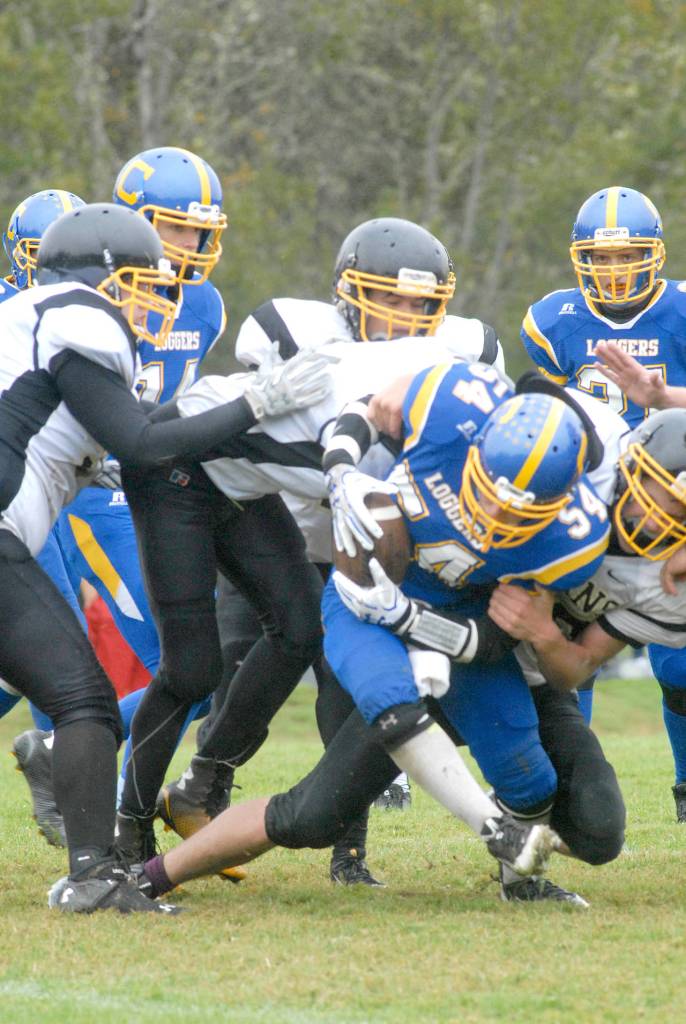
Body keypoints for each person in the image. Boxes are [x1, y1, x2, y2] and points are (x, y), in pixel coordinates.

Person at [129, 361, 622, 908]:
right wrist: (341, 471)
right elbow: (365, 407)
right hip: (363, 598)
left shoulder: (571, 542)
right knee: (383, 722)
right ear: (476, 443)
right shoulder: (453, 404)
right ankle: (149, 876)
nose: (493, 514)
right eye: (485, 491)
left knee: (527, 775)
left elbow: (496, 637)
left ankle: (520, 885)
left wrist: (412, 621)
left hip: (456, 627)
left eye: (519, 511)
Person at [0, 200, 331, 914]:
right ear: (101, 277)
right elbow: (145, 441)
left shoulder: (31, 317)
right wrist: (259, 400)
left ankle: (98, 868)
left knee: (79, 697)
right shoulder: (78, 317)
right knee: (85, 701)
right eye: (141, 280)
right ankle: (95, 874)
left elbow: (76, 432)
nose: (155, 297)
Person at [154, 216, 506, 885]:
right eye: (389, 298)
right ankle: (199, 782)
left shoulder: (463, 350)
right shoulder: (294, 332)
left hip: (375, 544)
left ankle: (349, 853)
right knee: (227, 666)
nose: (404, 315)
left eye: (419, 304)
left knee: (346, 689)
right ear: (348, 292)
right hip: (282, 525)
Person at [10, 148, 230, 845]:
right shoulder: (64, 305)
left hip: (127, 482)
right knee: (60, 670)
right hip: (58, 490)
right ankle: (91, 819)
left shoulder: (204, 304)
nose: (189, 247)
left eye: (201, 232)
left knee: (182, 665)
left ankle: (85, 792)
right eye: (174, 228)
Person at [521, 184, 686, 819]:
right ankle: (574, 782)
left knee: (678, 665)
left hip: (668, 502)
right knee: (569, 645)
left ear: (655, 255)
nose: (614, 272)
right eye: (602, 258)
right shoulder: (555, 320)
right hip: (590, 501)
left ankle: (684, 786)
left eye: (627, 257)